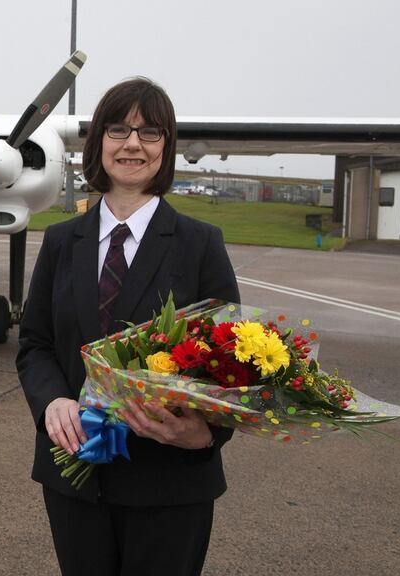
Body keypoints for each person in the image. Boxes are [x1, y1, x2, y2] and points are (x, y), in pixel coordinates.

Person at [16, 77, 240, 576]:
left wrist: (204, 435)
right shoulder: (60, 241)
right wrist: (53, 401)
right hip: (74, 476)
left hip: (169, 478)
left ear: (167, 148)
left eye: (150, 132)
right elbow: (35, 343)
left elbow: (233, 362)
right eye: (118, 130)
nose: (133, 143)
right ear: (98, 144)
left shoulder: (200, 243)